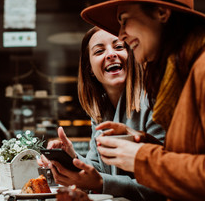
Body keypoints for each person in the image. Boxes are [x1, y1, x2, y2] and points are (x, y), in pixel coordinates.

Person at [81, 0, 205, 201]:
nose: (122, 35)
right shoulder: (184, 72)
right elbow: (190, 155)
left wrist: (142, 157)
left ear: (161, 13)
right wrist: (139, 140)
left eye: (125, 21)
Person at [39, 27, 165, 200]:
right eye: (99, 51)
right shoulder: (100, 112)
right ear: (90, 68)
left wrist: (100, 183)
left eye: (119, 47)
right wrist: (71, 157)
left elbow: (162, 184)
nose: (111, 54)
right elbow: (99, 169)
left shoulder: (154, 104)